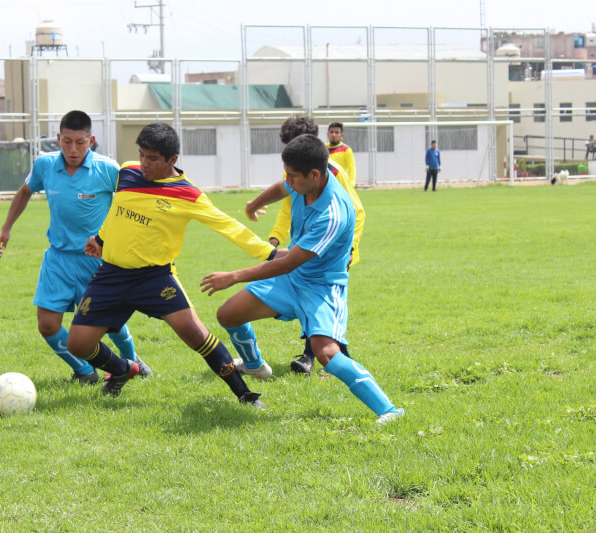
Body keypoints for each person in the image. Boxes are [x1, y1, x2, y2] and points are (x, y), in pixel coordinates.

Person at [66, 122, 274, 406]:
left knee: (196, 334)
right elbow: (119, 212)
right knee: (77, 345)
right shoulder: (128, 172)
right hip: (111, 275)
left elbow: (229, 227)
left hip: (154, 278)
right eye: (142, 155)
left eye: (152, 159)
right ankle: (122, 369)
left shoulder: (188, 195)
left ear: (172, 159)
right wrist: (101, 239)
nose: (144, 164)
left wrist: (269, 254)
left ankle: (245, 394)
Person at [201, 134, 404, 424]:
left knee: (326, 354)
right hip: (293, 277)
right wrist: (253, 204)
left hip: (320, 286)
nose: (288, 180)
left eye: (293, 176)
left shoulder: (333, 213)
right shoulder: (302, 181)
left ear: (314, 174)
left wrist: (233, 276)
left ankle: (389, 411)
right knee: (229, 314)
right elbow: (281, 188)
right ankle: (255, 365)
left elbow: (289, 262)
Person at [0, 110, 150, 385]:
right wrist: (6, 228)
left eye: (80, 142)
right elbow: (25, 191)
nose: (73, 149)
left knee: (110, 324)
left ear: (91, 140)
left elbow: (134, 199)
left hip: (98, 260)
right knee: (47, 325)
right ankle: (84, 370)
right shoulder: (44, 164)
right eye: (67, 142)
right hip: (58, 258)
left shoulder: (107, 168)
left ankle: (133, 361)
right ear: (58, 139)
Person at [259, 116, 365, 377]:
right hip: (305, 247)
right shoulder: (296, 174)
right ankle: (318, 357)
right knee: (310, 303)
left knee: (320, 306)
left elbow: (357, 211)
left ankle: (324, 358)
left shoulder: (331, 172)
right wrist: (274, 238)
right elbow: (287, 212)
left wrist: (350, 248)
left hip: (334, 251)